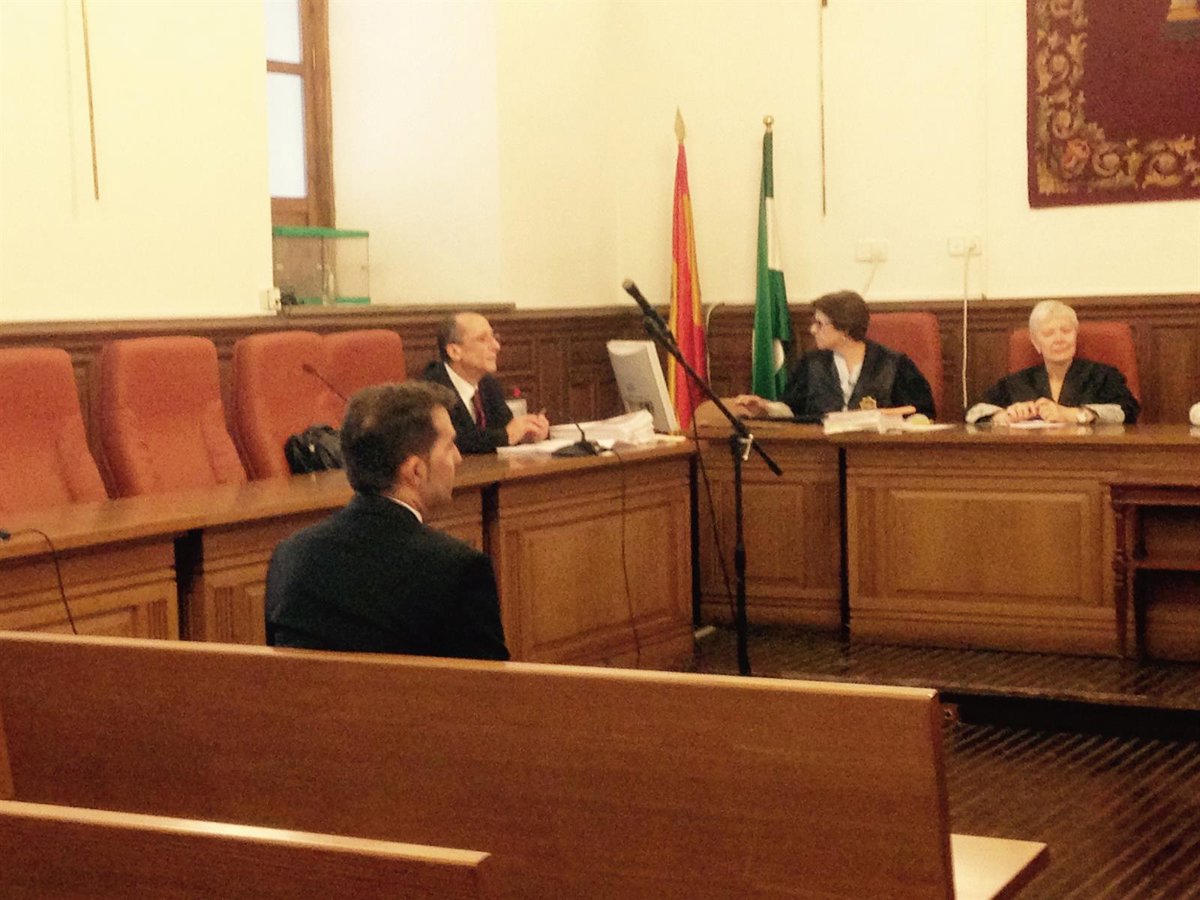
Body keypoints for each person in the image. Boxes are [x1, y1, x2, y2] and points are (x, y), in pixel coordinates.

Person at [265, 381, 510, 660]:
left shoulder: (289, 555)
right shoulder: (459, 569)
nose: (458, 458)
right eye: (449, 445)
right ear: (415, 471)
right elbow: (489, 684)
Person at [732, 290, 936, 421]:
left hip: (877, 457)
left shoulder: (893, 364)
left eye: (820, 324)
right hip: (819, 455)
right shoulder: (811, 364)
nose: (812, 330)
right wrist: (765, 408)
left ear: (845, 329)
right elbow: (792, 410)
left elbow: (921, 413)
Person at [967, 300, 1140, 426]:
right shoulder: (1017, 382)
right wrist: (1002, 416)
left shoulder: (1103, 376)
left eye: (1066, 331)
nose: (1059, 339)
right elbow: (973, 411)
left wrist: (1074, 415)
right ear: (1036, 343)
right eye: (1049, 333)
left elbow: (1128, 411)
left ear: (1075, 336)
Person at [421, 312, 550, 453]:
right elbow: (451, 441)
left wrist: (527, 432)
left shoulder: (488, 384)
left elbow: (506, 427)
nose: (496, 346)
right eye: (482, 339)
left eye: (494, 337)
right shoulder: (430, 390)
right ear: (454, 351)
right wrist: (505, 436)